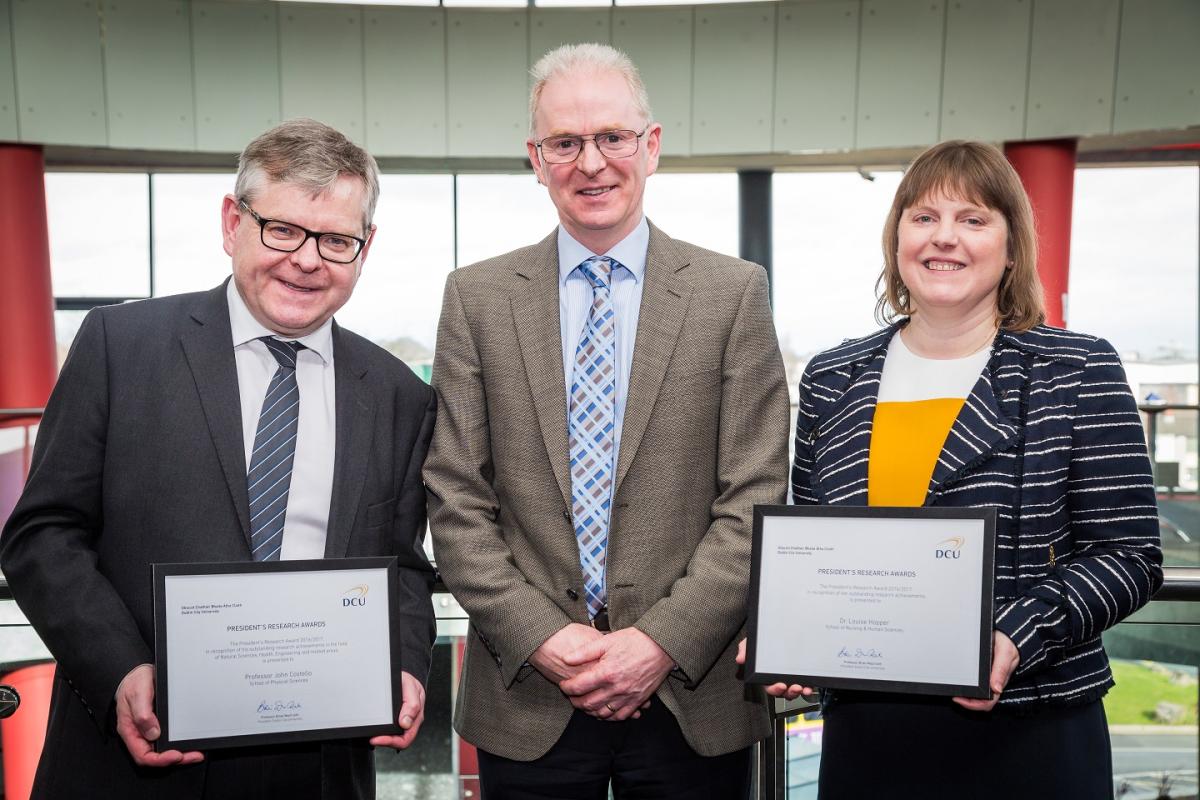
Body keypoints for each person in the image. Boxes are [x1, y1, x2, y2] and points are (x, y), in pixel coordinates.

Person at [0, 118, 437, 800]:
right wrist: (119, 670)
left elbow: (404, 565)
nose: (306, 259)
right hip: (133, 756)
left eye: (335, 240)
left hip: (316, 770)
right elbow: (42, 535)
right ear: (233, 222)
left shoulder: (398, 395)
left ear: (365, 247)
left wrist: (406, 666)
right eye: (282, 229)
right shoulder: (121, 347)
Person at [740, 139, 1163, 798]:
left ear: (1011, 246)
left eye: (973, 219)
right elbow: (815, 547)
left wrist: (1015, 637)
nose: (946, 239)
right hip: (868, 739)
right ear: (898, 239)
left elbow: (1130, 554)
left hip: (1031, 732)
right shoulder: (832, 377)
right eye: (924, 217)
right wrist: (792, 641)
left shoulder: (1075, 370)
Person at [423, 43, 789, 798]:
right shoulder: (476, 299)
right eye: (565, 142)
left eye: (612, 137)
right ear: (536, 158)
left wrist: (658, 642)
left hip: (691, 698)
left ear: (649, 146)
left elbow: (756, 497)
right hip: (529, 695)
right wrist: (547, 638)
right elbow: (456, 501)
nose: (590, 163)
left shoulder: (731, 294)